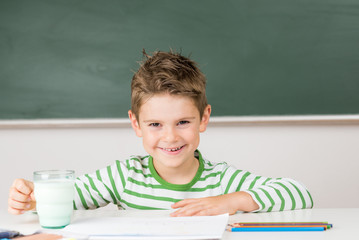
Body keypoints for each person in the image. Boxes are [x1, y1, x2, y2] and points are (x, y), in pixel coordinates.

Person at [8, 50, 313, 217]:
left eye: (183, 122)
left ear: (204, 118)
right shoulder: (124, 176)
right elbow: (69, 196)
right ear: (136, 124)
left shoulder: (221, 181)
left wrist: (229, 201)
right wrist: (33, 199)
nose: (170, 137)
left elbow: (298, 192)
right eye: (155, 124)